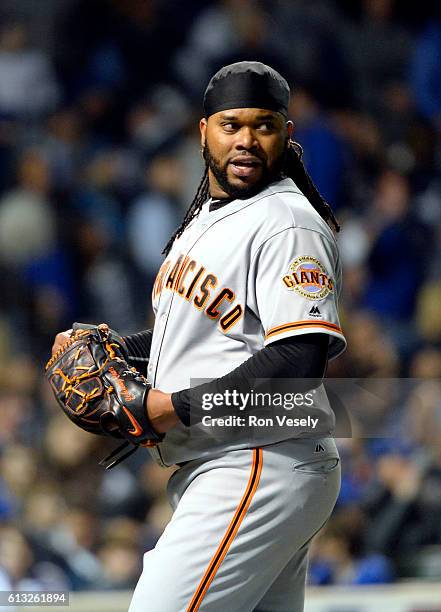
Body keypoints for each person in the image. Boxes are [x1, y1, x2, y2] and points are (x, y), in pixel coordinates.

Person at [52, 61, 346, 612]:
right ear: (202, 131)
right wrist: (110, 345)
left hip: (257, 458)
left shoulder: (287, 220)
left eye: (264, 125)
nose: (247, 140)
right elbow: (182, 336)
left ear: (287, 134)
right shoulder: (208, 219)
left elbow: (298, 359)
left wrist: (175, 409)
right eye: (231, 125)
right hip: (249, 462)